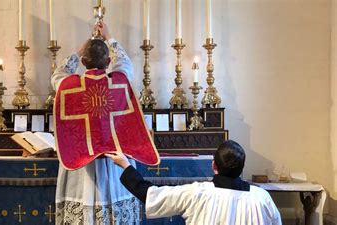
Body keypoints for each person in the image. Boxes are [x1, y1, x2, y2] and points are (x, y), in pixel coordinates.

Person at [53, 22, 140, 224]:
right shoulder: (118, 82)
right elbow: (125, 63)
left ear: (83, 62)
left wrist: (78, 50)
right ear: (109, 61)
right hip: (113, 162)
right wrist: (109, 38)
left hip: (81, 165)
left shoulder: (70, 86)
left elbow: (57, 74)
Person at [106, 140, 283, 225]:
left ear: (213, 165)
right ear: (242, 167)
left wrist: (125, 165)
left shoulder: (197, 193)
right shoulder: (262, 198)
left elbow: (149, 194)